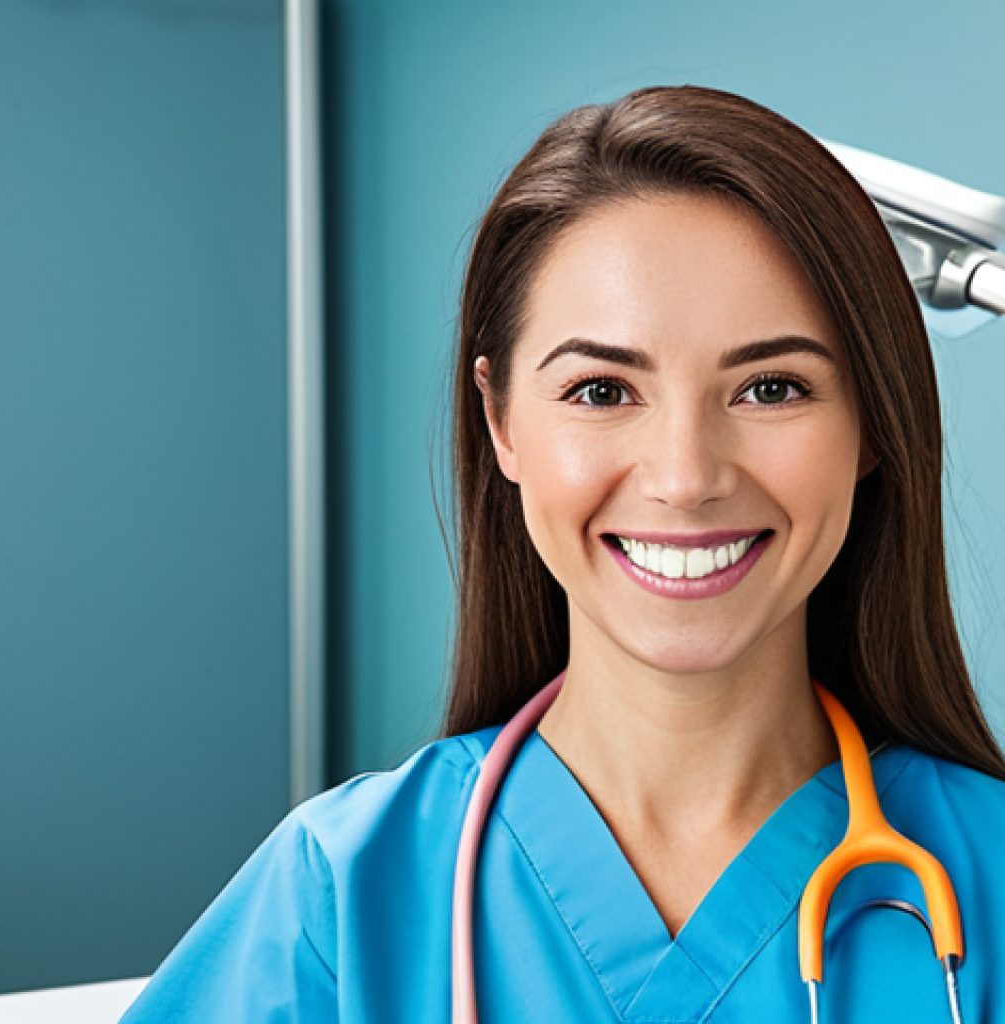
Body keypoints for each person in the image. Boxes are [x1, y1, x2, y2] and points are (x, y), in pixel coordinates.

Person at [120, 84, 1005, 1024]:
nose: (685, 477)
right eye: (601, 392)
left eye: (772, 387)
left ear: (873, 424)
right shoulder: (342, 899)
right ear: (500, 420)